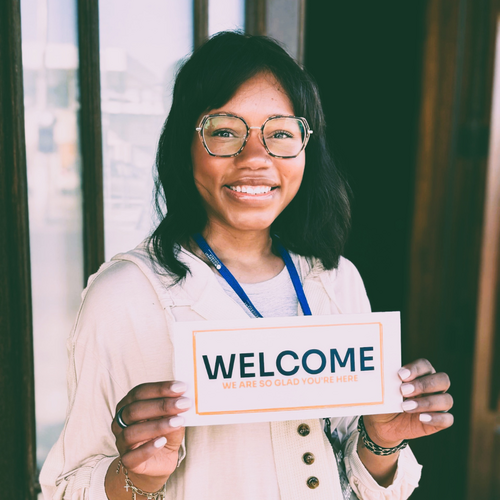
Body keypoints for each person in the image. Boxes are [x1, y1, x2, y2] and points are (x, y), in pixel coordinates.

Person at [40, 32, 453, 500]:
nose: (255, 158)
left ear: (306, 149)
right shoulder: (126, 296)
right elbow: (63, 490)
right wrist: (137, 477)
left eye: (280, 133)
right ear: (185, 145)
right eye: (224, 132)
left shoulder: (335, 279)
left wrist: (383, 438)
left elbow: (360, 481)